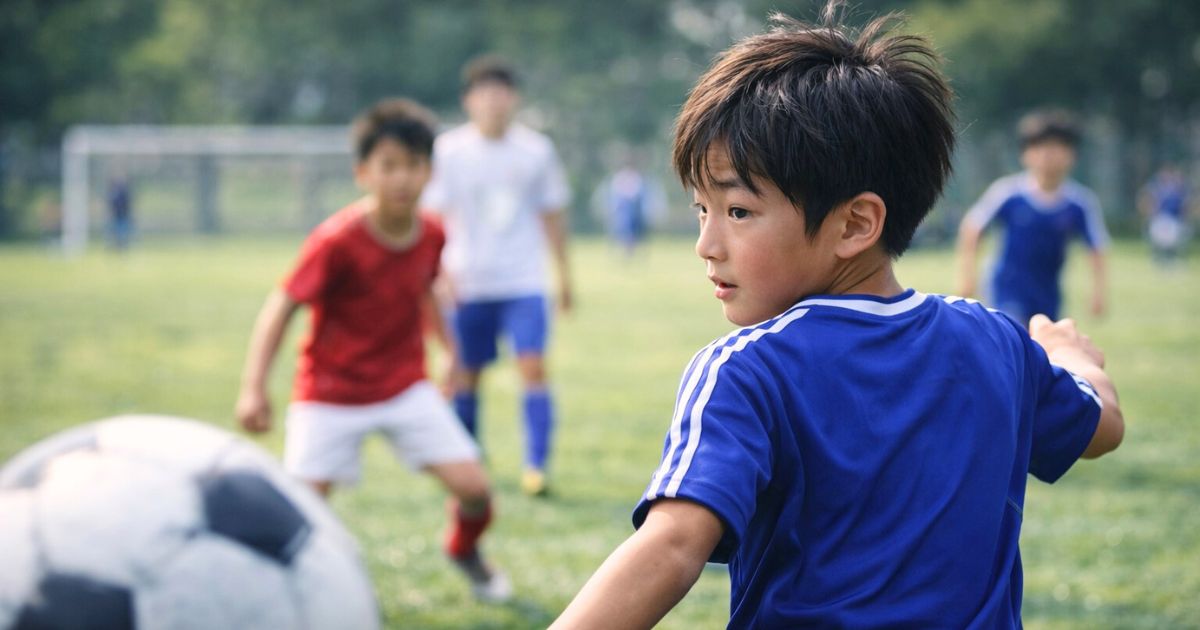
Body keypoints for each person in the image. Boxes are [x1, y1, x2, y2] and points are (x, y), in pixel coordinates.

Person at [551, 5, 1124, 628]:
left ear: (855, 224)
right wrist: (1071, 358)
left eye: (738, 211)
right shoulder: (996, 340)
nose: (706, 243)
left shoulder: (747, 369)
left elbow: (672, 543)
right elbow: (1101, 428)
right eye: (700, 210)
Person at [234, 98, 511, 603]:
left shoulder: (432, 232)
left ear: (430, 170)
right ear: (363, 172)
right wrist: (254, 388)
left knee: (476, 491)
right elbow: (282, 306)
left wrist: (447, 349)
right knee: (299, 517)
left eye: (413, 165)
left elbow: (424, 289)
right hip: (329, 393)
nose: (402, 178)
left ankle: (464, 552)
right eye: (389, 166)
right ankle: (278, 600)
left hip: (404, 387)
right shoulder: (336, 240)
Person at [421, 55, 572, 497]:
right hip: (467, 281)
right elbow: (433, 219)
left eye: (502, 92)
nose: (494, 101)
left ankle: (536, 465)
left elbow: (552, 215)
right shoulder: (449, 152)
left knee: (533, 366)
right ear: (469, 100)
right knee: (465, 374)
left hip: (523, 280)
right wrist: (438, 274)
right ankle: (470, 459)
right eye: (484, 92)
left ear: (514, 98)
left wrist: (564, 277)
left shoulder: (536, 150)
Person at [957, 110, 1110, 325]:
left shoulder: (1079, 203)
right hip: (1006, 291)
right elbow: (972, 228)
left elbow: (1096, 247)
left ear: (1072, 155)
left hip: (1048, 293)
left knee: (1043, 348)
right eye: (1040, 147)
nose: (1048, 155)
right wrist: (968, 278)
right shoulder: (1008, 193)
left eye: (1057, 147)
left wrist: (1098, 293)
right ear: (1025, 154)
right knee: (1014, 340)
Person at [593, 161, 665, 258]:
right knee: (619, 232)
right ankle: (621, 251)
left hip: (633, 212)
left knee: (634, 233)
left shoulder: (636, 178)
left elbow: (637, 195)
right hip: (620, 212)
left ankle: (632, 252)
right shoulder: (620, 178)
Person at [1139, 162, 1192, 266]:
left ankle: (1172, 258)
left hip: (1174, 220)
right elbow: (1146, 200)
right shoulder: (1156, 187)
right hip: (1160, 219)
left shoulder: (1178, 189)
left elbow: (1184, 206)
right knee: (1158, 236)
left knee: (1175, 238)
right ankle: (1158, 258)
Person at [107, 176, 134, 251]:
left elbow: (127, 203)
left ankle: (122, 245)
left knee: (122, 231)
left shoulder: (124, 192)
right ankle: (117, 245)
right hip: (117, 215)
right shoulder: (114, 192)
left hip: (123, 215)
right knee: (116, 231)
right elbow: (112, 204)